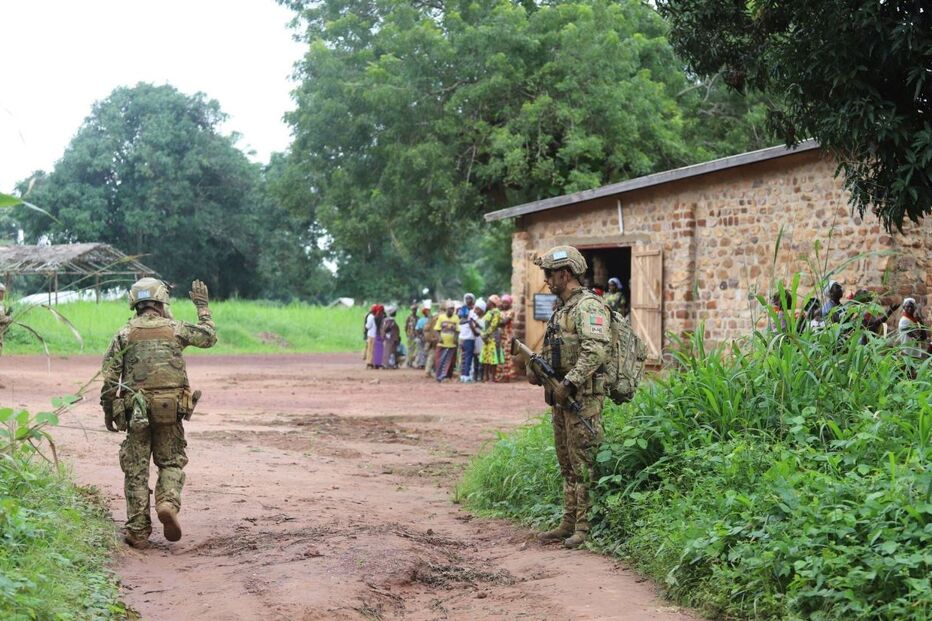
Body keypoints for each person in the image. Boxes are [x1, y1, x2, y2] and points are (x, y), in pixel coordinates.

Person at [100, 278, 217, 549]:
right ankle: (167, 502)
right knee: (171, 463)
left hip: (135, 412)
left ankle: (139, 532)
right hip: (170, 410)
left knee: (136, 470)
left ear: (135, 304)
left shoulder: (124, 334)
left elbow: (109, 381)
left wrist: (109, 413)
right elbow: (209, 337)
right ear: (162, 301)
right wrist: (202, 307)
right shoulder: (175, 328)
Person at [528, 246, 610, 549]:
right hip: (562, 398)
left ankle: (585, 528)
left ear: (565, 273)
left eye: (550, 273)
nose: (547, 279)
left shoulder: (587, 307)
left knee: (583, 461)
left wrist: (570, 382)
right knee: (566, 462)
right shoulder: (562, 309)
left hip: (582, 399)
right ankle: (569, 521)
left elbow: (595, 351)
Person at [480, 294, 504, 382]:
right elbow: (484, 325)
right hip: (486, 338)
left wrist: (486, 334)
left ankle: (492, 378)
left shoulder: (496, 312)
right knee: (486, 357)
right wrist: (482, 334)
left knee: (493, 357)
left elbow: (494, 325)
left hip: (493, 337)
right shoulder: (488, 312)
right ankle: (485, 377)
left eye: (488, 301)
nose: (487, 303)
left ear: (492, 303)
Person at [434, 301, 459, 382]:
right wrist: (439, 338)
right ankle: (439, 377)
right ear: (446, 309)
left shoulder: (456, 318)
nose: (451, 310)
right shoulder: (441, 317)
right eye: (450, 309)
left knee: (450, 361)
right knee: (440, 360)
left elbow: (458, 330)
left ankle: (447, 377)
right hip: (442, 343)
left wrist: (455, 338)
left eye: (452, 309)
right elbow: (436, 329)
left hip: (452, 344)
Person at [457, 293, 478, 382]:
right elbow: (461, 320)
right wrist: (469, 320)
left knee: (471, 356)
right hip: (465, 336)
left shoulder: (474, 309)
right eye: (467, 298)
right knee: (466, 356)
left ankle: (468, 374)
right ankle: (465, 375)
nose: (468, 300)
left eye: (470, 298)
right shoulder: (463, 309)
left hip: (472, 336)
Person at [498, 294, 517, 382]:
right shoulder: (499, 312)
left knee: (506, 356)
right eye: (503, 302)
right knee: (499, 355)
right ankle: (500, 375)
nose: (504, 304)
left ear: (510, 304)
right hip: (500, 336)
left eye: (506, 303)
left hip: (507, 337)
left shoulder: (511, 312)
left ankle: (507, 376)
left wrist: (495, 322)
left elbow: (504, 322)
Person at [404, 303, 418, 368]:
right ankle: (409, 362)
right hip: (410, 335)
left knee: (415, 349)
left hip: (415, 335)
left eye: (415, 309)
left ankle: (411, 362)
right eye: (413, 310)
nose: (414, 311)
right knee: (410, 349)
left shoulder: (418, 318)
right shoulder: (408, 318)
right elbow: (406, 326)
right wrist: (406, 333)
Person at [371, 305, 385, 369]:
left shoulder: (375, 317)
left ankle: (375, 363)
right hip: (380, 334)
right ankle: (379, 363)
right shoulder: (382, 318)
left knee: (376, 350)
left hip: (376, 334)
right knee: (380, 350)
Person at [0, 283, 12, 356]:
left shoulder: (1, 305)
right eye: (1, 292)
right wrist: (9, 318)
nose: (3, 294)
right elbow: (1, 319)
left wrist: (8, 313)